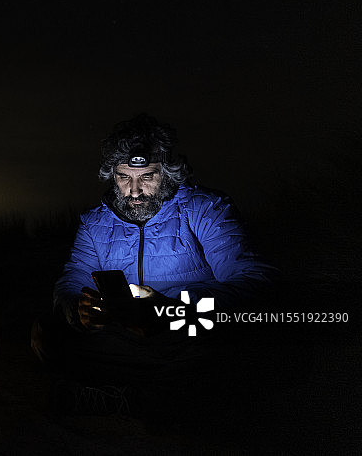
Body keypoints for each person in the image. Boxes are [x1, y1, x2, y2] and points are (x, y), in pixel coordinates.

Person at [31, 113, 277, 417]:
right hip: (125, 338)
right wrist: (78, 310)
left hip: (187, 333)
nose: (134, 191)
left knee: (235, 346)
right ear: (113, 176)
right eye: (124, 177)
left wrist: (170, 311)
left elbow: (253, 279)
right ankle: (156, 394)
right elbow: (71, 280)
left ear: (167, 172)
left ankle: (126, 395)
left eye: (147, 177)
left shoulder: (205, 208)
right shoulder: (94, 223)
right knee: (48, 333)